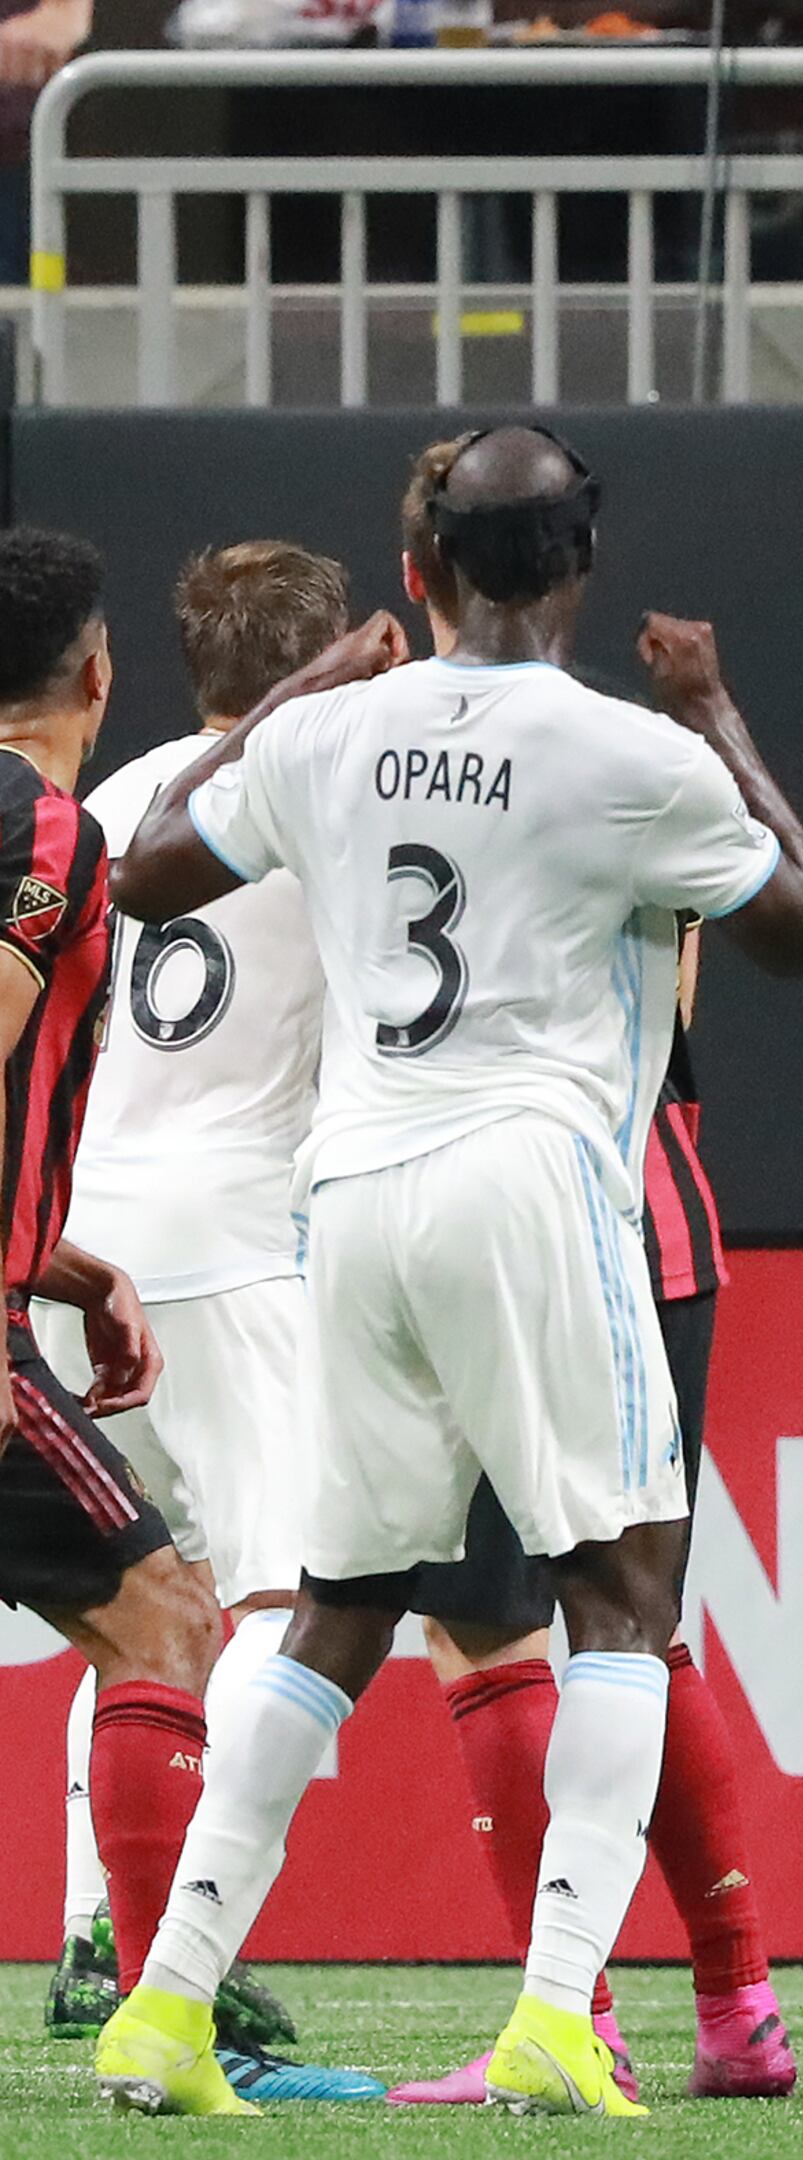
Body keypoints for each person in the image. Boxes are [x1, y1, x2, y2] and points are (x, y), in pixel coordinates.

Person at [90, 424, 803, 2118]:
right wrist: (716, 712)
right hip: (534, 1177)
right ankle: (563, 2012)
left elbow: (144, 878)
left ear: (414, 574)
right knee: (621, 1599)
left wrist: (290, 704)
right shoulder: (620, 750)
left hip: (346, 1191)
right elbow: (800, 919)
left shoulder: (335, 737)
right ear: (578, 570)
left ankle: (169, 2003)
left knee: (342, 1605)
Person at [34, 540, 381, 2105]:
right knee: (276, 1602)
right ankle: (187, 1949)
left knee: (128, 1612)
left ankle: (92, 1930)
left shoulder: (115, 803)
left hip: (75, 1233)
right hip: (232, 1246)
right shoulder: (336, 801)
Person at [0, 528, 236, 2080]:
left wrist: (71, 1264)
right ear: (99, 672)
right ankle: (160, 2016)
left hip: (30, 1286)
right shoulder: (47, 829)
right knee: (163, 1615)